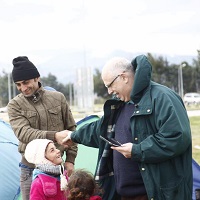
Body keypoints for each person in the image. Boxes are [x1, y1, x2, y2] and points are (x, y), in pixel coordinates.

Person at [61, 55, 193, 200]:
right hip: (123, 195)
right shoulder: (120, 103)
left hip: (156, 194)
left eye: (110, 85)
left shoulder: (163, 98)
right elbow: (101, 129)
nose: (109, 91)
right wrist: (74, 136)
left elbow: (177, 137)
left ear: (123, 77)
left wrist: (137, 150)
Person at [7, 56, 77, 200]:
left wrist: (70, 160)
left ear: (36, 78)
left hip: (58, 169)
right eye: (18, 84)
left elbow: (72, 130)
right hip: (29, 169)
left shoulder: (58, 98)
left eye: (25, 82)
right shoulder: (15, 105)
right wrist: (54, 135)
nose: (23, 88)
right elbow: (23, 133)